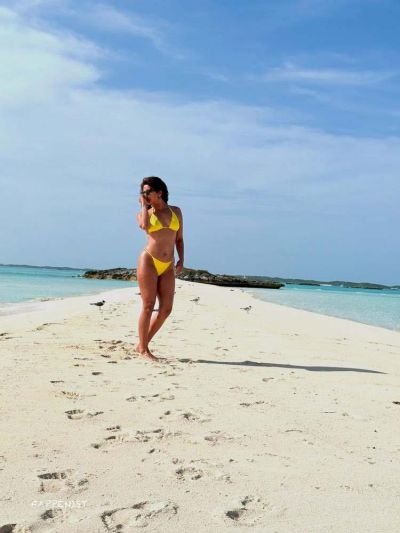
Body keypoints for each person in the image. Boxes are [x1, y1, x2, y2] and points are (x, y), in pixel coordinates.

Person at [135, 176, 184, 361]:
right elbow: (144, 226)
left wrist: (181, 259)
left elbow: (179, 238)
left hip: (168, 264)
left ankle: (142, 344)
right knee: (148, 306)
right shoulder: (144, 214)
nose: (145, 195)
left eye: (148, 192)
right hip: (149, 260)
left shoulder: (176, 211)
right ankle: (144, 349)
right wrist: (144, 205)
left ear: (159, 192)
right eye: (143, 192)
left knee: (166, 309)